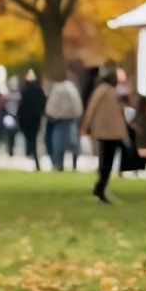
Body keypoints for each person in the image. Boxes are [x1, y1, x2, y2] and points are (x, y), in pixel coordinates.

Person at [82, 61, 129, 204]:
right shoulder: (104, 90)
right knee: (106, 163)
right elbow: (92, 109)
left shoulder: (107, 91)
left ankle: (100, 188)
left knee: (107, 162)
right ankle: (100, 188)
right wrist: (85, 127)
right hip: (107, 132)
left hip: (110, 132)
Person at [43, 74, 83, 172]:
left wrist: (53, 115)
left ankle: (59, 165)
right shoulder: (72, 89)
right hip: (69, 121)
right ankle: (73, 166)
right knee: (72, 145)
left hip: (60, 122)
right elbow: (77, 107)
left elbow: (51, 108)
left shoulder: (58, 89)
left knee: (59, 146)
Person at [14, 70, 45, 170]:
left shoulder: (25, 90)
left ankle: (31, 153)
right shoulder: (39, 90)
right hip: (36, 118)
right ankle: (33, 155)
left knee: (30, 139)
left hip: (26, 118)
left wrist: (18, 116)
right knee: (34, 138)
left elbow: (22, 105)